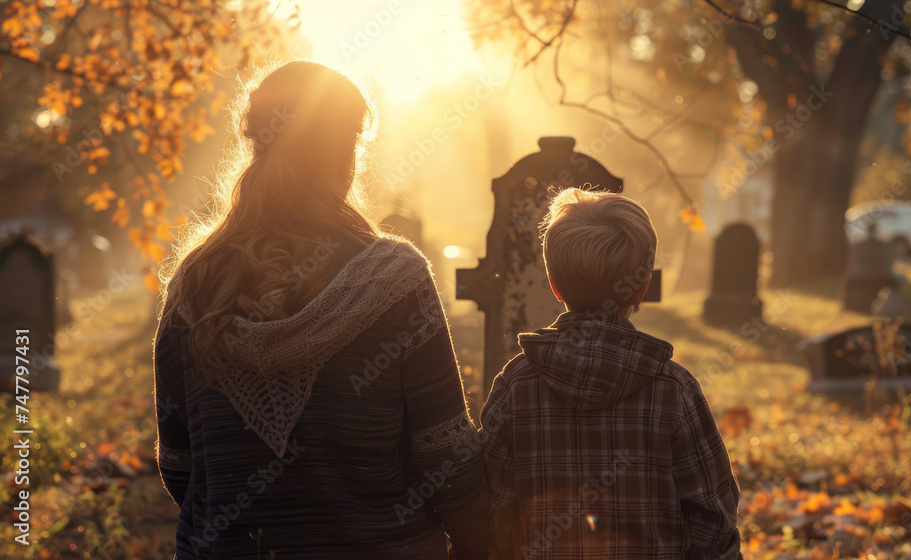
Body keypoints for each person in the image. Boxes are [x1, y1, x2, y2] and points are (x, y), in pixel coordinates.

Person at [153, 61, 488, 559]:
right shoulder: (396, 279)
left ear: (258, 141)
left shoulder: (194, 283)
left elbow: (181, 465)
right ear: (346, 150)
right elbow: (442, 450)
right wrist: (482, 540)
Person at [480, 188, 742, 559]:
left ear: (554, 285)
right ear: (642, 288)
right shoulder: (675, 390)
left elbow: (492, 508)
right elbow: (714, 518)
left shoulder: (516, 385)